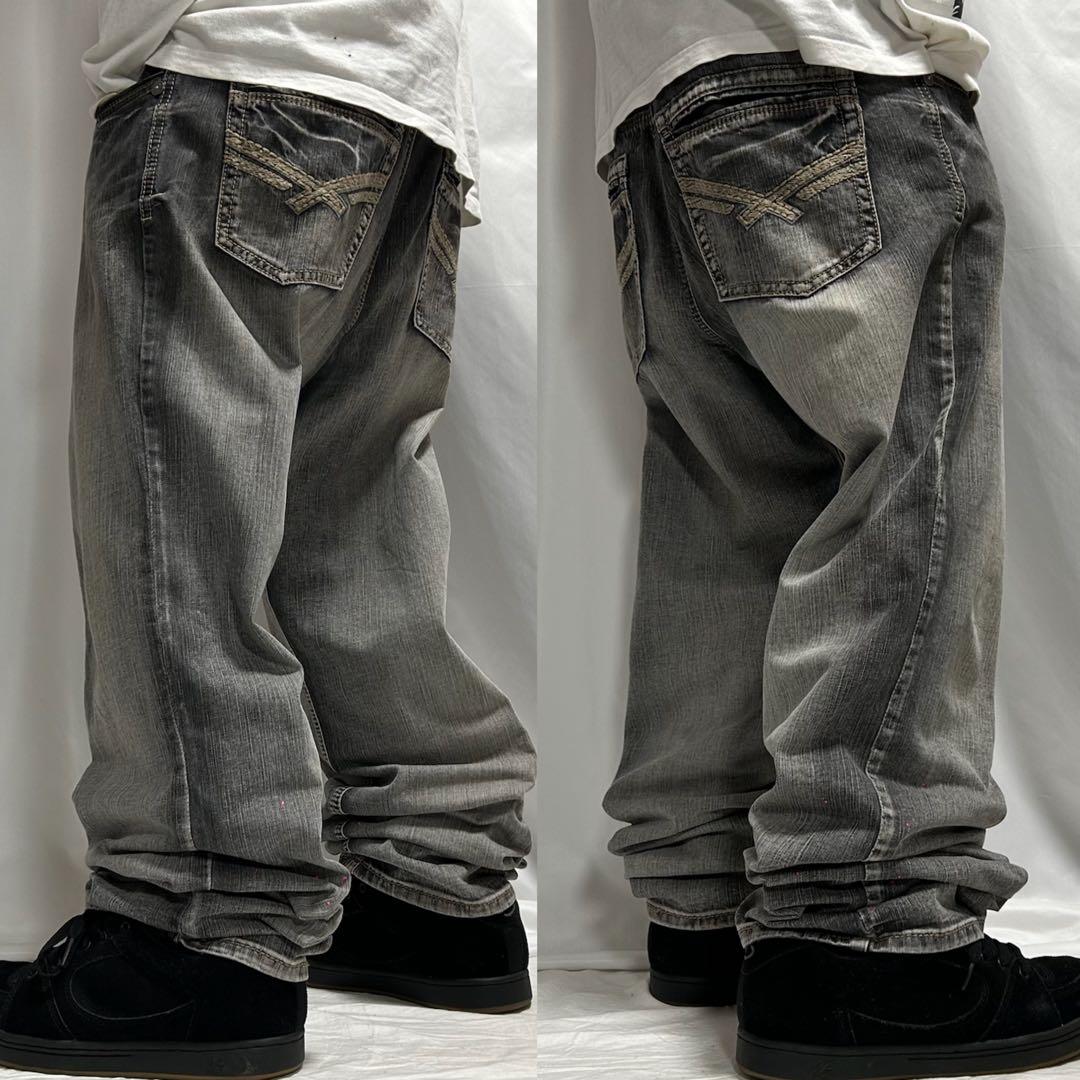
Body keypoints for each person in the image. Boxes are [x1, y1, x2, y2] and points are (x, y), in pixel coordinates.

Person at [0, 3, 536, 1077]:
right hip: (407, 109)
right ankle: (424, 883)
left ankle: (199, 927)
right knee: (355, 520)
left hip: (235, 62)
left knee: (180, 516)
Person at [590, 1, 1080, 1077]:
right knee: (907, 481)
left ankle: (709, 901)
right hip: (835, 65)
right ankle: (864, 929)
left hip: (655, 102)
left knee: (727, 507)